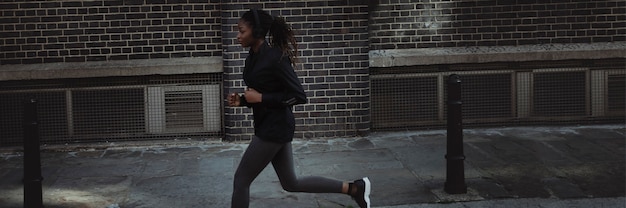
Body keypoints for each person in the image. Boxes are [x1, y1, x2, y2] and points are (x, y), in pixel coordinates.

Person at [227, 8, 371, 208]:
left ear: (257, 32)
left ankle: (355, 188)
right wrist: (242, 100)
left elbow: (298, 96)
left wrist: (261, 97)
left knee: (241, 180)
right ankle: (355, 188)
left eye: (241, 31)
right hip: (267, 125)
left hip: (274, 128)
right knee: (290, 183)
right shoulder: (252, 56)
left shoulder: (276, 58)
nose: (237, 36)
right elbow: (261, 92)